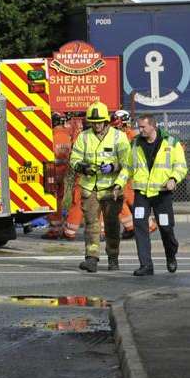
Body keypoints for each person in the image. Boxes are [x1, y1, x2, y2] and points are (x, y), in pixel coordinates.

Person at [62, 101, 131, 274]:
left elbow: (128, 165)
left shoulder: (118, 137)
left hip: (111, 189)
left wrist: (114, 173)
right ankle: (91, 259)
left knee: (112, 225)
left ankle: (113, 258)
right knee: (91, 225)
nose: (96, 125)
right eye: (93, 122)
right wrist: (82, 167)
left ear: (106, 121)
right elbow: (74, 159)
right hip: (89, 188)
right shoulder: (84, 137)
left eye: (99, 122)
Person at [126, 113, 185, 276]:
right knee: (140, 228)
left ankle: (171, 255)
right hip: (142, 194)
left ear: (153, 126)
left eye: (143, 127)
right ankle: (146, 265)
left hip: (162, 194)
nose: (140, 130)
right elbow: (128, 167)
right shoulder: (135, 144)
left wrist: (174, 178)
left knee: (166, 228)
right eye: (139, 126)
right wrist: (118, 183)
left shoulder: (172, 143)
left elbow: (181, 166)